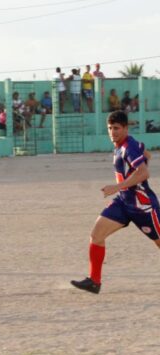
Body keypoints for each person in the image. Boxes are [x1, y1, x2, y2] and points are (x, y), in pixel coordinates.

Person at [71, 111, 159, 294]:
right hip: (123, 203)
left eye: (117, 128)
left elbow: (144, 173)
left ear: (126, 128)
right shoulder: (123, 145)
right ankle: (94, 281)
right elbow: (147, 154)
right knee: (96, 234)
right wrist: (125, 185)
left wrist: (118, 186)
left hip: (143, 207)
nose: (113, 132)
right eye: (110, 128)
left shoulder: (128, 147)